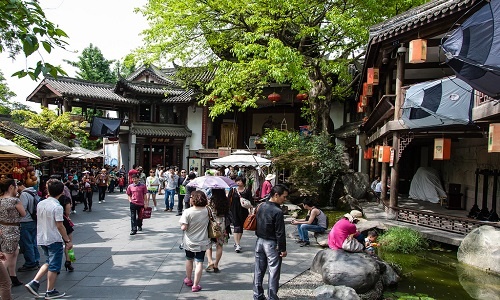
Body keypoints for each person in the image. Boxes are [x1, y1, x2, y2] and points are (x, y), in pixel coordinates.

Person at [25, 179, 73, 299]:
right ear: (62, 192)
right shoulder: (57, 207)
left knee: (48, 261)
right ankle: (50, 290)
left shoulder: (41, 203)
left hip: (42, 237)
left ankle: (34, 282)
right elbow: (59, 225)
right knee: (54, 265)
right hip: (53, 238)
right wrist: (67, 240)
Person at [253, 184, 289, 300]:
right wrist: (283, 249)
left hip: (259, 241)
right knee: (273, 272)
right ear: (276, 195)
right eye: (284, 197)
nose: (285, 199)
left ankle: (257, 295)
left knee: (259, 270)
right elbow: (280, 232)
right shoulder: (277, 211)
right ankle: (272, 296)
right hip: (272, 244)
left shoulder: (261, 206)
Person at [179, 190, 210, 292]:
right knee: (199, 262)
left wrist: (183, 225)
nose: (190, 199)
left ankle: (188, 279)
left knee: (189, 259)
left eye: (191, 197)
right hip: (203, 240)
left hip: (190, 241)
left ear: (194, 199)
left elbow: (184, 227)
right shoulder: (207, 210)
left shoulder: (187, 212)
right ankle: (196, 285)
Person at [0, 178, 26, 287]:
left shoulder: (0, 200)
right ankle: (4, 279)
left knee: (13, 252)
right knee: (8, 256)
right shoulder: (15, 200)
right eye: (15, 186)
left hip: (3, 228)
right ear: (11, 187)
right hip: (12, 229)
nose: (17, 189)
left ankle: (13, 276)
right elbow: (23, 213)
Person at [17, 181, 41, 272]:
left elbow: (23, 209)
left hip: (26, 220)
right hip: (33, 220)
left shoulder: (24, 194)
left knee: (27, 243)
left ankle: (30, 263)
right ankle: (36, 260)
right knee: (33, 241)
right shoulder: (33, 191)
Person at [206, 189, 230, 273]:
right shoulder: (226, 200)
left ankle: (210, 261)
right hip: (222, 223)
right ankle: (216, 264)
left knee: (208, 244)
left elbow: (208, 211)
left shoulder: (211, 200)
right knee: (219, 245)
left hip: (212, 224)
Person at [229, 176, 253, 253]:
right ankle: (237, 244)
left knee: (241, 227)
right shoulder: (233, 190)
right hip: (234, 210)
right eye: (237, 181)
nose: (238, 182)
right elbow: (229, 200)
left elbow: (251, 202)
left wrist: (251, 212)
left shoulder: (247, 191)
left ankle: (237, 242)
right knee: (236, 227)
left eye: (240, 181)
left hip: (244, 211)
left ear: (243, 182)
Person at [57, 194, 74, 272]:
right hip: (64, 222)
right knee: (69, 242)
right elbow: (67, 212)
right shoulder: (65, 199)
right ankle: (69, 260)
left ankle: (55, 264)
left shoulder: (48, 200)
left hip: (54, 223)